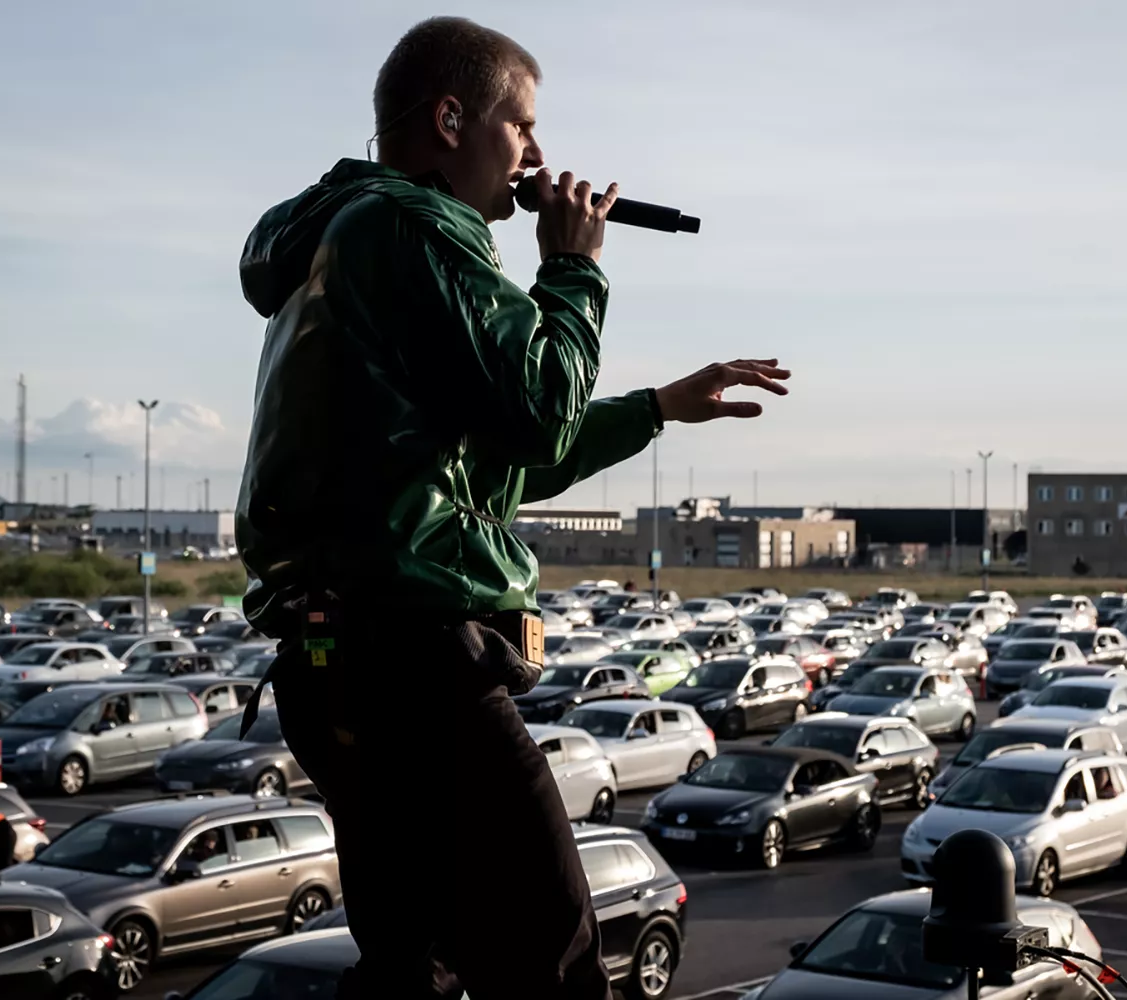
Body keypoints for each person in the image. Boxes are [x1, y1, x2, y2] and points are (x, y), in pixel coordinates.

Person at [234, 17, 789, 1000]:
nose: (537, 155)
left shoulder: (340, 242)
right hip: (414, 658)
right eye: (523, 127)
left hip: (333, 660)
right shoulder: (412, 228)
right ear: (453, 120)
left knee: (414, 962)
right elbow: (535, 414)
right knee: (555, 960)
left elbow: (493, 467)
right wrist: (573, 263)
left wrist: (658, 407)